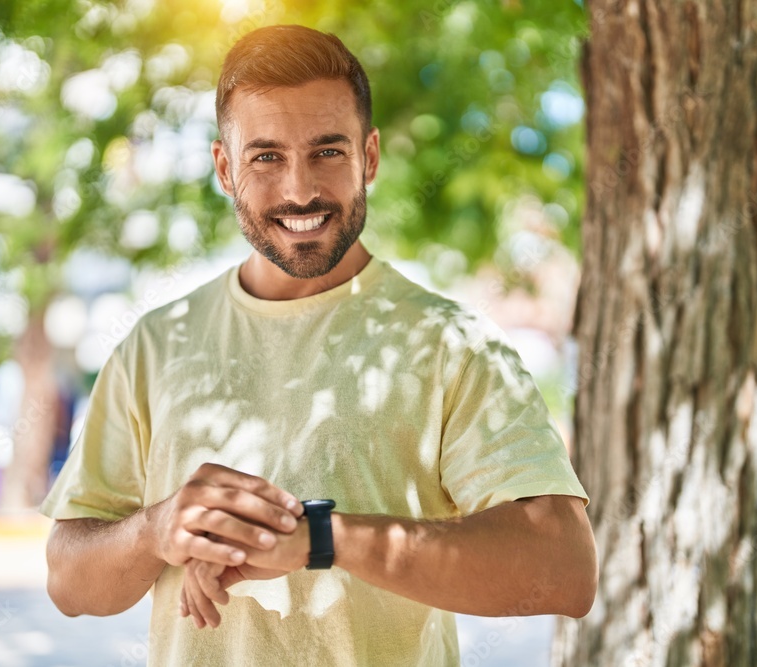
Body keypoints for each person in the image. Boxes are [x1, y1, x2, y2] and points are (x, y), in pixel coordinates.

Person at [41, 24, 597, 666]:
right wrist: (156, 530)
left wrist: (318, 538)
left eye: (328, 152)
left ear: (371, 157)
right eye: (266, 157)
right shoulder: (154, 345)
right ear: (225, 168)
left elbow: (563, 568)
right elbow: (68, 580)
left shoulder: (452, 345)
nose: (299, 189)